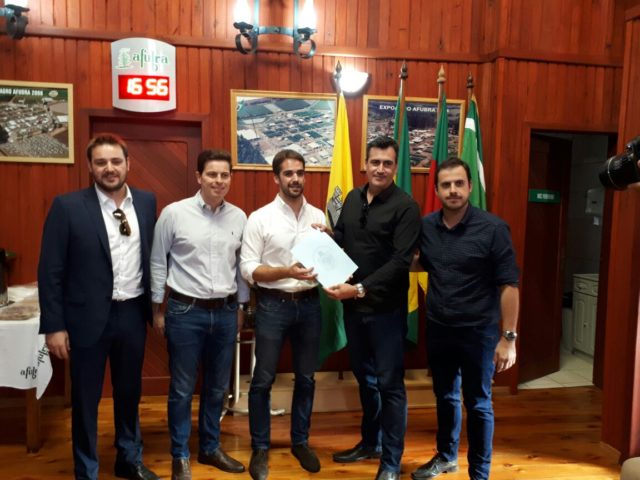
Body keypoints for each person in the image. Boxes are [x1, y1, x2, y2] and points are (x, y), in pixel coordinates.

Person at [38, 134, 159, 480]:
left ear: (128, 164)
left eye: (116, 161)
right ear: (90, 167)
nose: (110, 168)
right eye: (101, 162)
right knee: (86, 400)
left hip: (132, 314)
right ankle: (86, 470)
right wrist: (54, 326)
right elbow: (50, 271)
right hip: (86, 320)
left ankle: (129, 459)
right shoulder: (68, 207)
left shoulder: (146, 202)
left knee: (129, 393)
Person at [411, 157, 520, 480]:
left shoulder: (493, 229)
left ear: (470, 186)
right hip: (439, 328)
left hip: (479, 333)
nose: (453, 190)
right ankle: (446, 457)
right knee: (444, 396)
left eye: (459, 183)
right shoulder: (427, 226)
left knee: (479, 403)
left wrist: (509, 339)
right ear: (437, 190)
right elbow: (419, 262)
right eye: (446, 185)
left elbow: (509, 285)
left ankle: (479, 474)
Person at [323, 136, 421, 480]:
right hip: (354, 310)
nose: (380, 169)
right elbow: (344, 236)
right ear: (364, 165)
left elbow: (401, 262)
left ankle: (391, 462)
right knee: (365, 380)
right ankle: (370, 443)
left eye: (387, 163)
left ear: (395, 167)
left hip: (386, 311)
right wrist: (327, 235)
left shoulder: (406, 207)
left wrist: (360, 288)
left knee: (390, 385)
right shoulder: (352, 198)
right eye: (375, 162)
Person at [150, 149, 249, 480]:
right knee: (182, 388)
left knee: (218, 387)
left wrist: (241, 306)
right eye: (212, 174)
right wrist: (157, 308)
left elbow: (240, 267)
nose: (218, 181)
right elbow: (158, 261)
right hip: (185, 311)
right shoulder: (174, 214)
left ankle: (210, 447)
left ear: (230, 178)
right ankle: (180, 454)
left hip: (225, 312)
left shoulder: (239, 217)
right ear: (199, 177)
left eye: (224, 175)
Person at [239, 149, 325, 480]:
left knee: (306, 378)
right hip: (273, 305)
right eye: (288, 173)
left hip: (310, 304)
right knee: (263, 379)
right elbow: (248, 268)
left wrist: (330, 248)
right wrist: (286, 271)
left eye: (300, 173)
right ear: (276, 178)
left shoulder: (317, 216)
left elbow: (325, 261)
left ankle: (300, 442)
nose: (295, 179)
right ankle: (260, 446)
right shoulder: (259, 218)